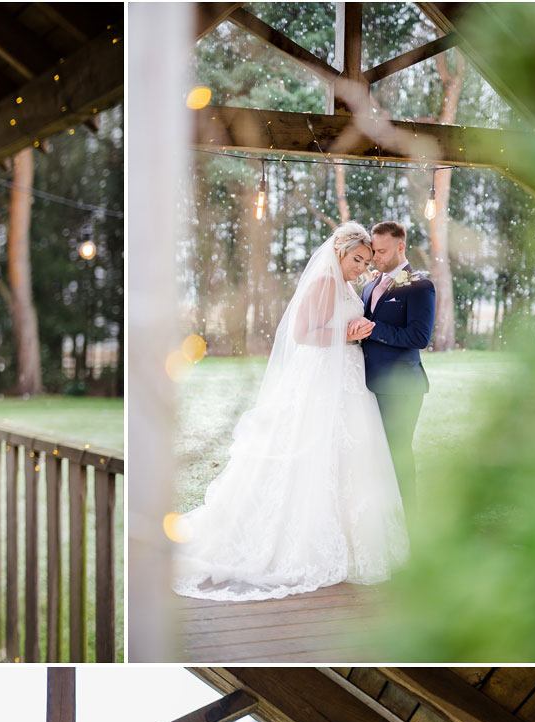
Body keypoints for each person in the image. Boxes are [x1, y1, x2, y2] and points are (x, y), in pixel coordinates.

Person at [172, 221, 408, 601]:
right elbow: (303, 333)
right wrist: (345, 334)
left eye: (366, 261)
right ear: (339, 253)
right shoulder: (323, 283)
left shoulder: (349, 286)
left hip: (348, 379)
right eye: (357, 259)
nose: (361, 268)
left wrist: (355, 332)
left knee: (350, 456)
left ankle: (352, 543)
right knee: (311, 450)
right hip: (320, 379)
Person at [352, 220, 435, 514]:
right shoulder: (372, 283)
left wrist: (372, 328)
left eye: (383, 251)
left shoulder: (420, 286)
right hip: (368, 384)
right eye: (374, 251)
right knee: (375, 454)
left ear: (401, 246)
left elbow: (419, 337)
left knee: (397, 454)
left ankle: (409, 518)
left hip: (401, 388)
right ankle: (383, 516)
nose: (376, 257)